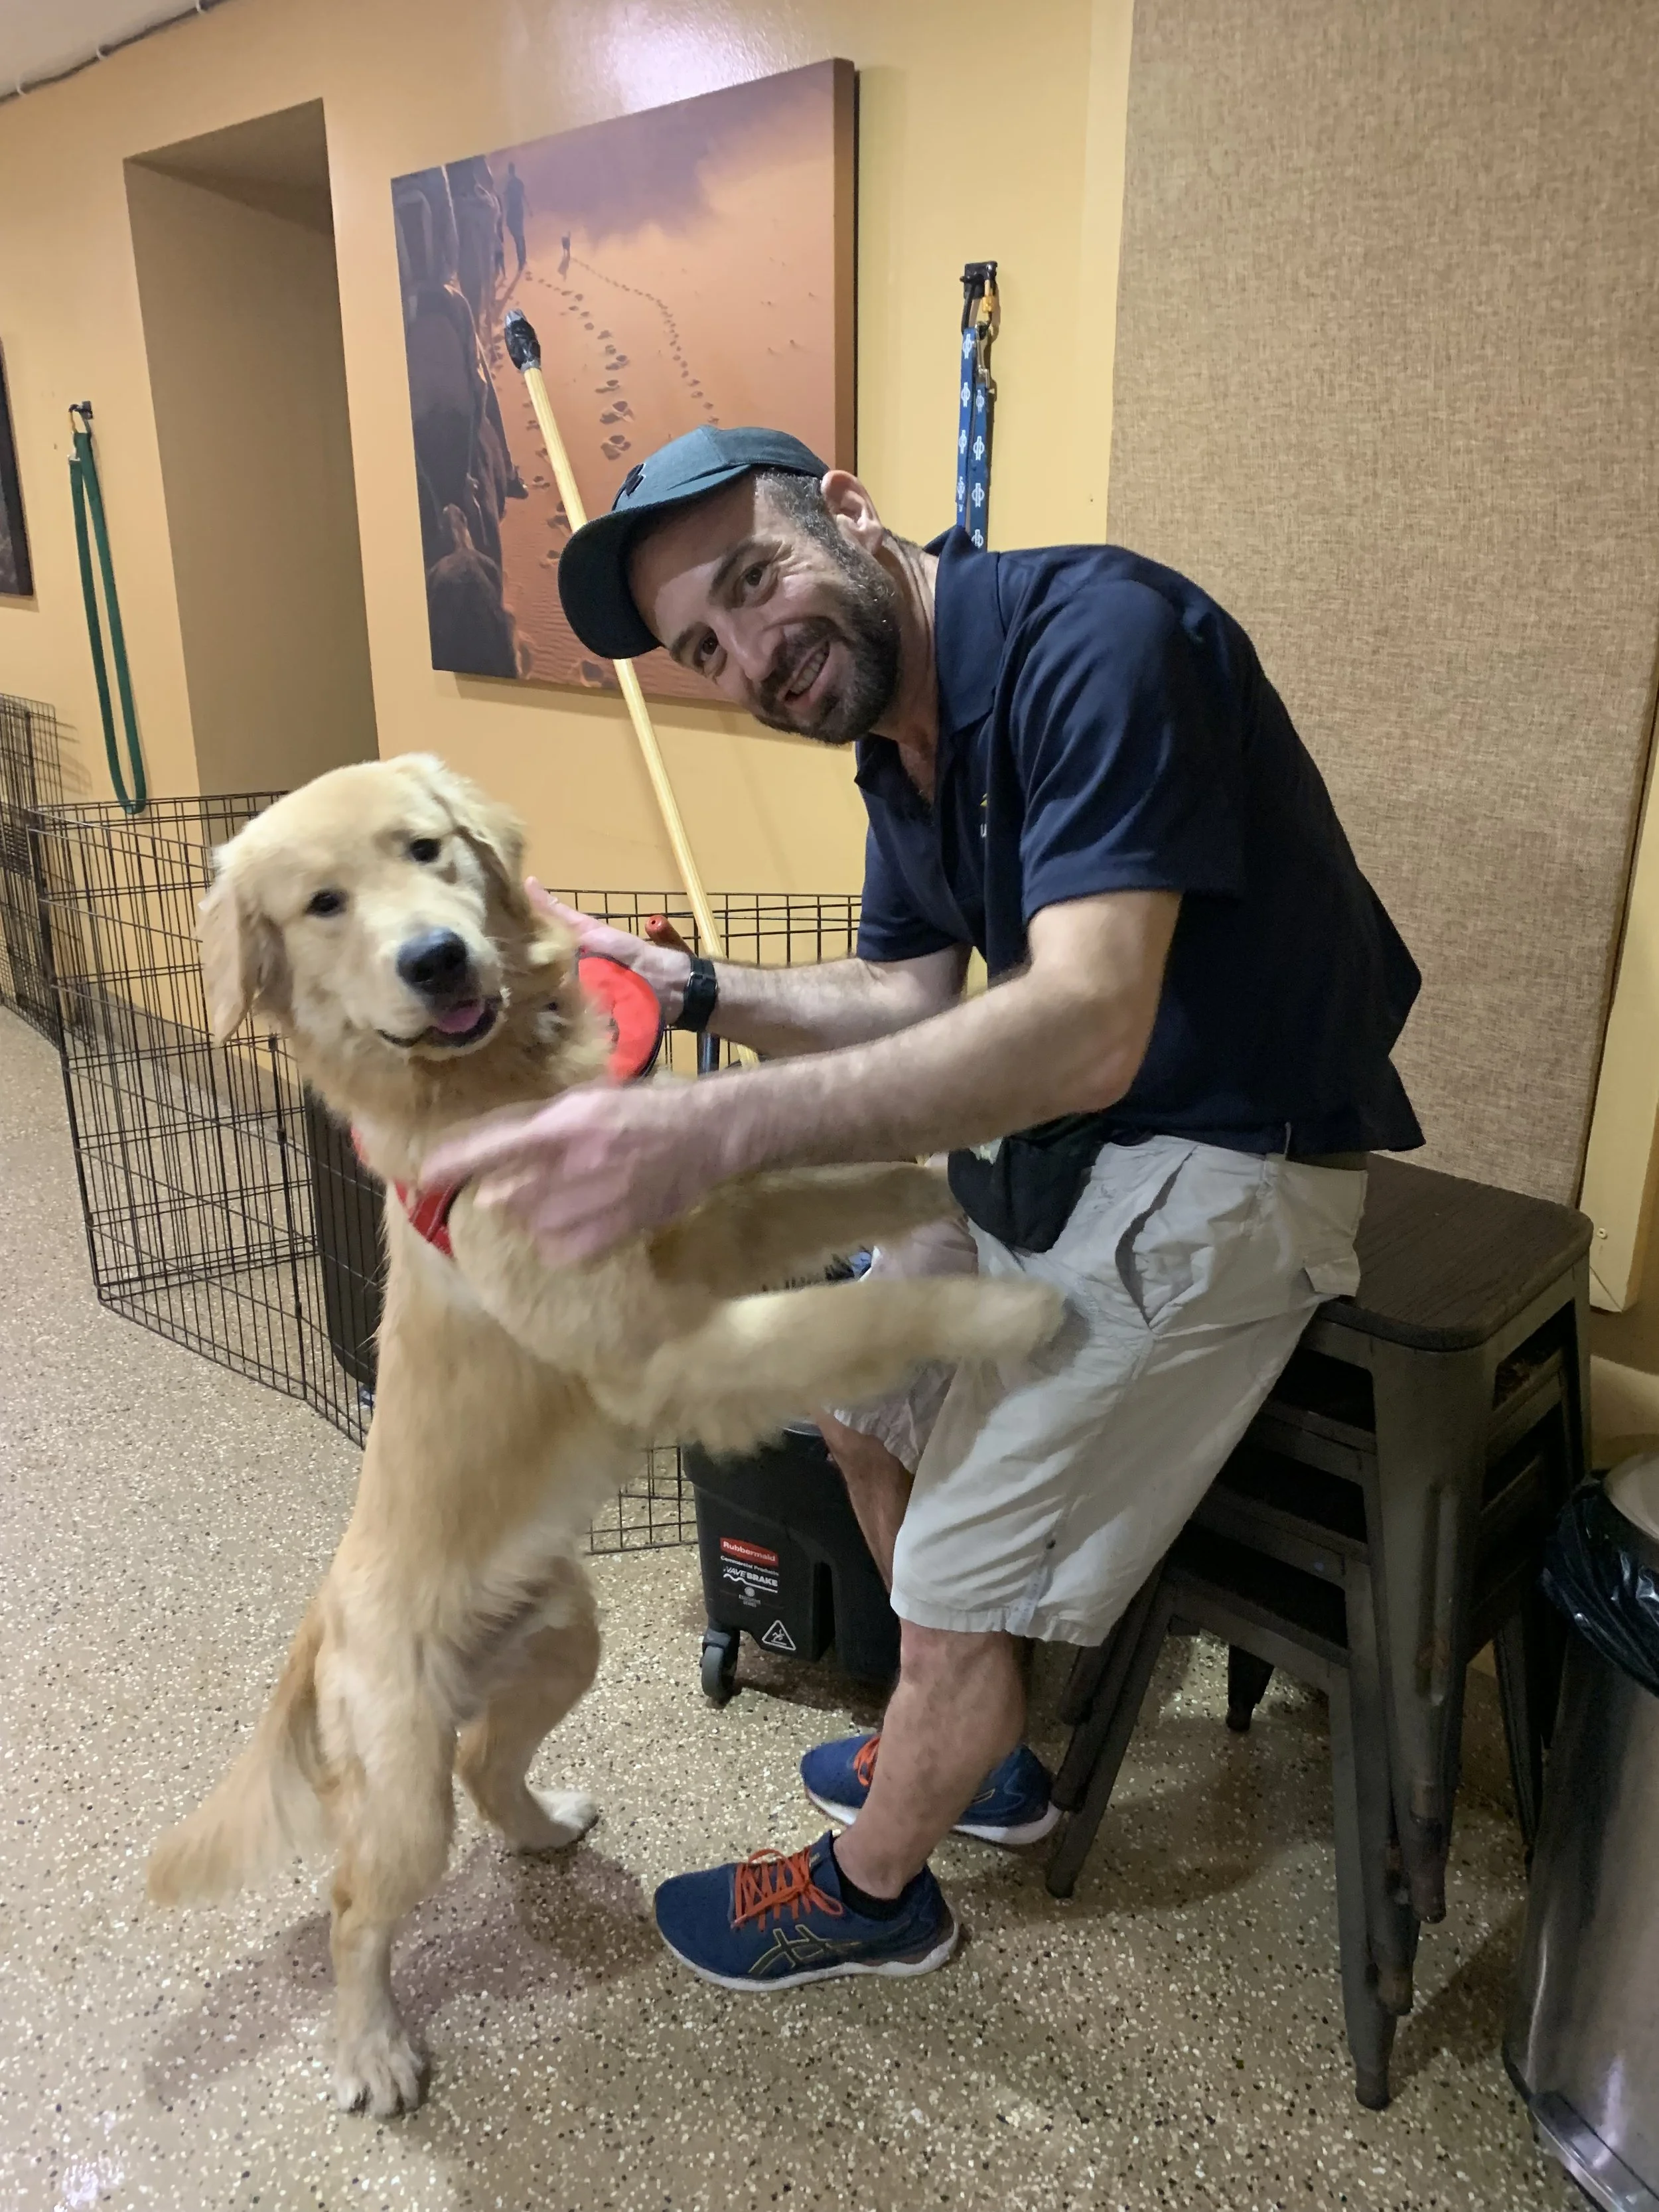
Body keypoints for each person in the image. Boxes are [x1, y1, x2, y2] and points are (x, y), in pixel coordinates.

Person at [421, 427, 1423, 1991]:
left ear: (848, 511)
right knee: (856, 1393)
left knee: (954, 1568)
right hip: (1068, 1138)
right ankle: (984, 1759)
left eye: (754, 582)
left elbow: (1089, 1018)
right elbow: (904, 996)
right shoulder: (898, 747)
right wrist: (690, 990)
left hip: (1231, 1155)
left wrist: (716, 1131)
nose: (752, 652)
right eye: (707, 645)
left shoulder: (1102, 640)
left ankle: (879, 1887)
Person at [502, 162, 528, 277]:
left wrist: (505, 212)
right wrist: (529, 208)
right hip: (520, 210)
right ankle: (523, 259)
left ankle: (521, 261)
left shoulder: (510, 184)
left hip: (513, 211)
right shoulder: (519, 182)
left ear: (509, 171)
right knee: (520, 234)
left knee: (517, 236)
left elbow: (507, 199)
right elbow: (524, 196)